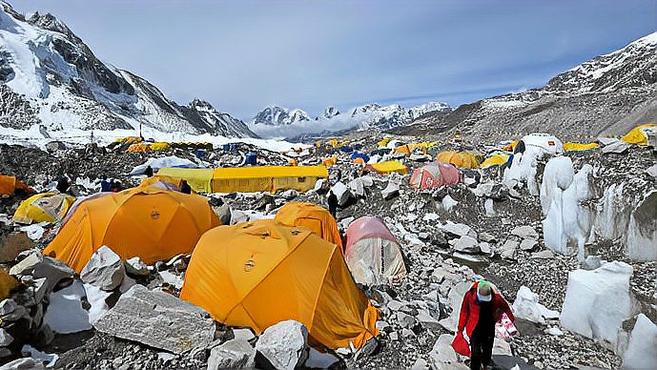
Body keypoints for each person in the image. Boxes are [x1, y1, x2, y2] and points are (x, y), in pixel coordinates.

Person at [452, 279, 515, 370]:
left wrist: (510, 322)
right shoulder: (469, 296)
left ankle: (486, 364)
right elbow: (464, 312)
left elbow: (505, 308)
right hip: (474, 328)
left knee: (488, 349)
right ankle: (475, 366)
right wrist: (460, 329)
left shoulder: (496, 298)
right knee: (475, 351)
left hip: (488, 327)